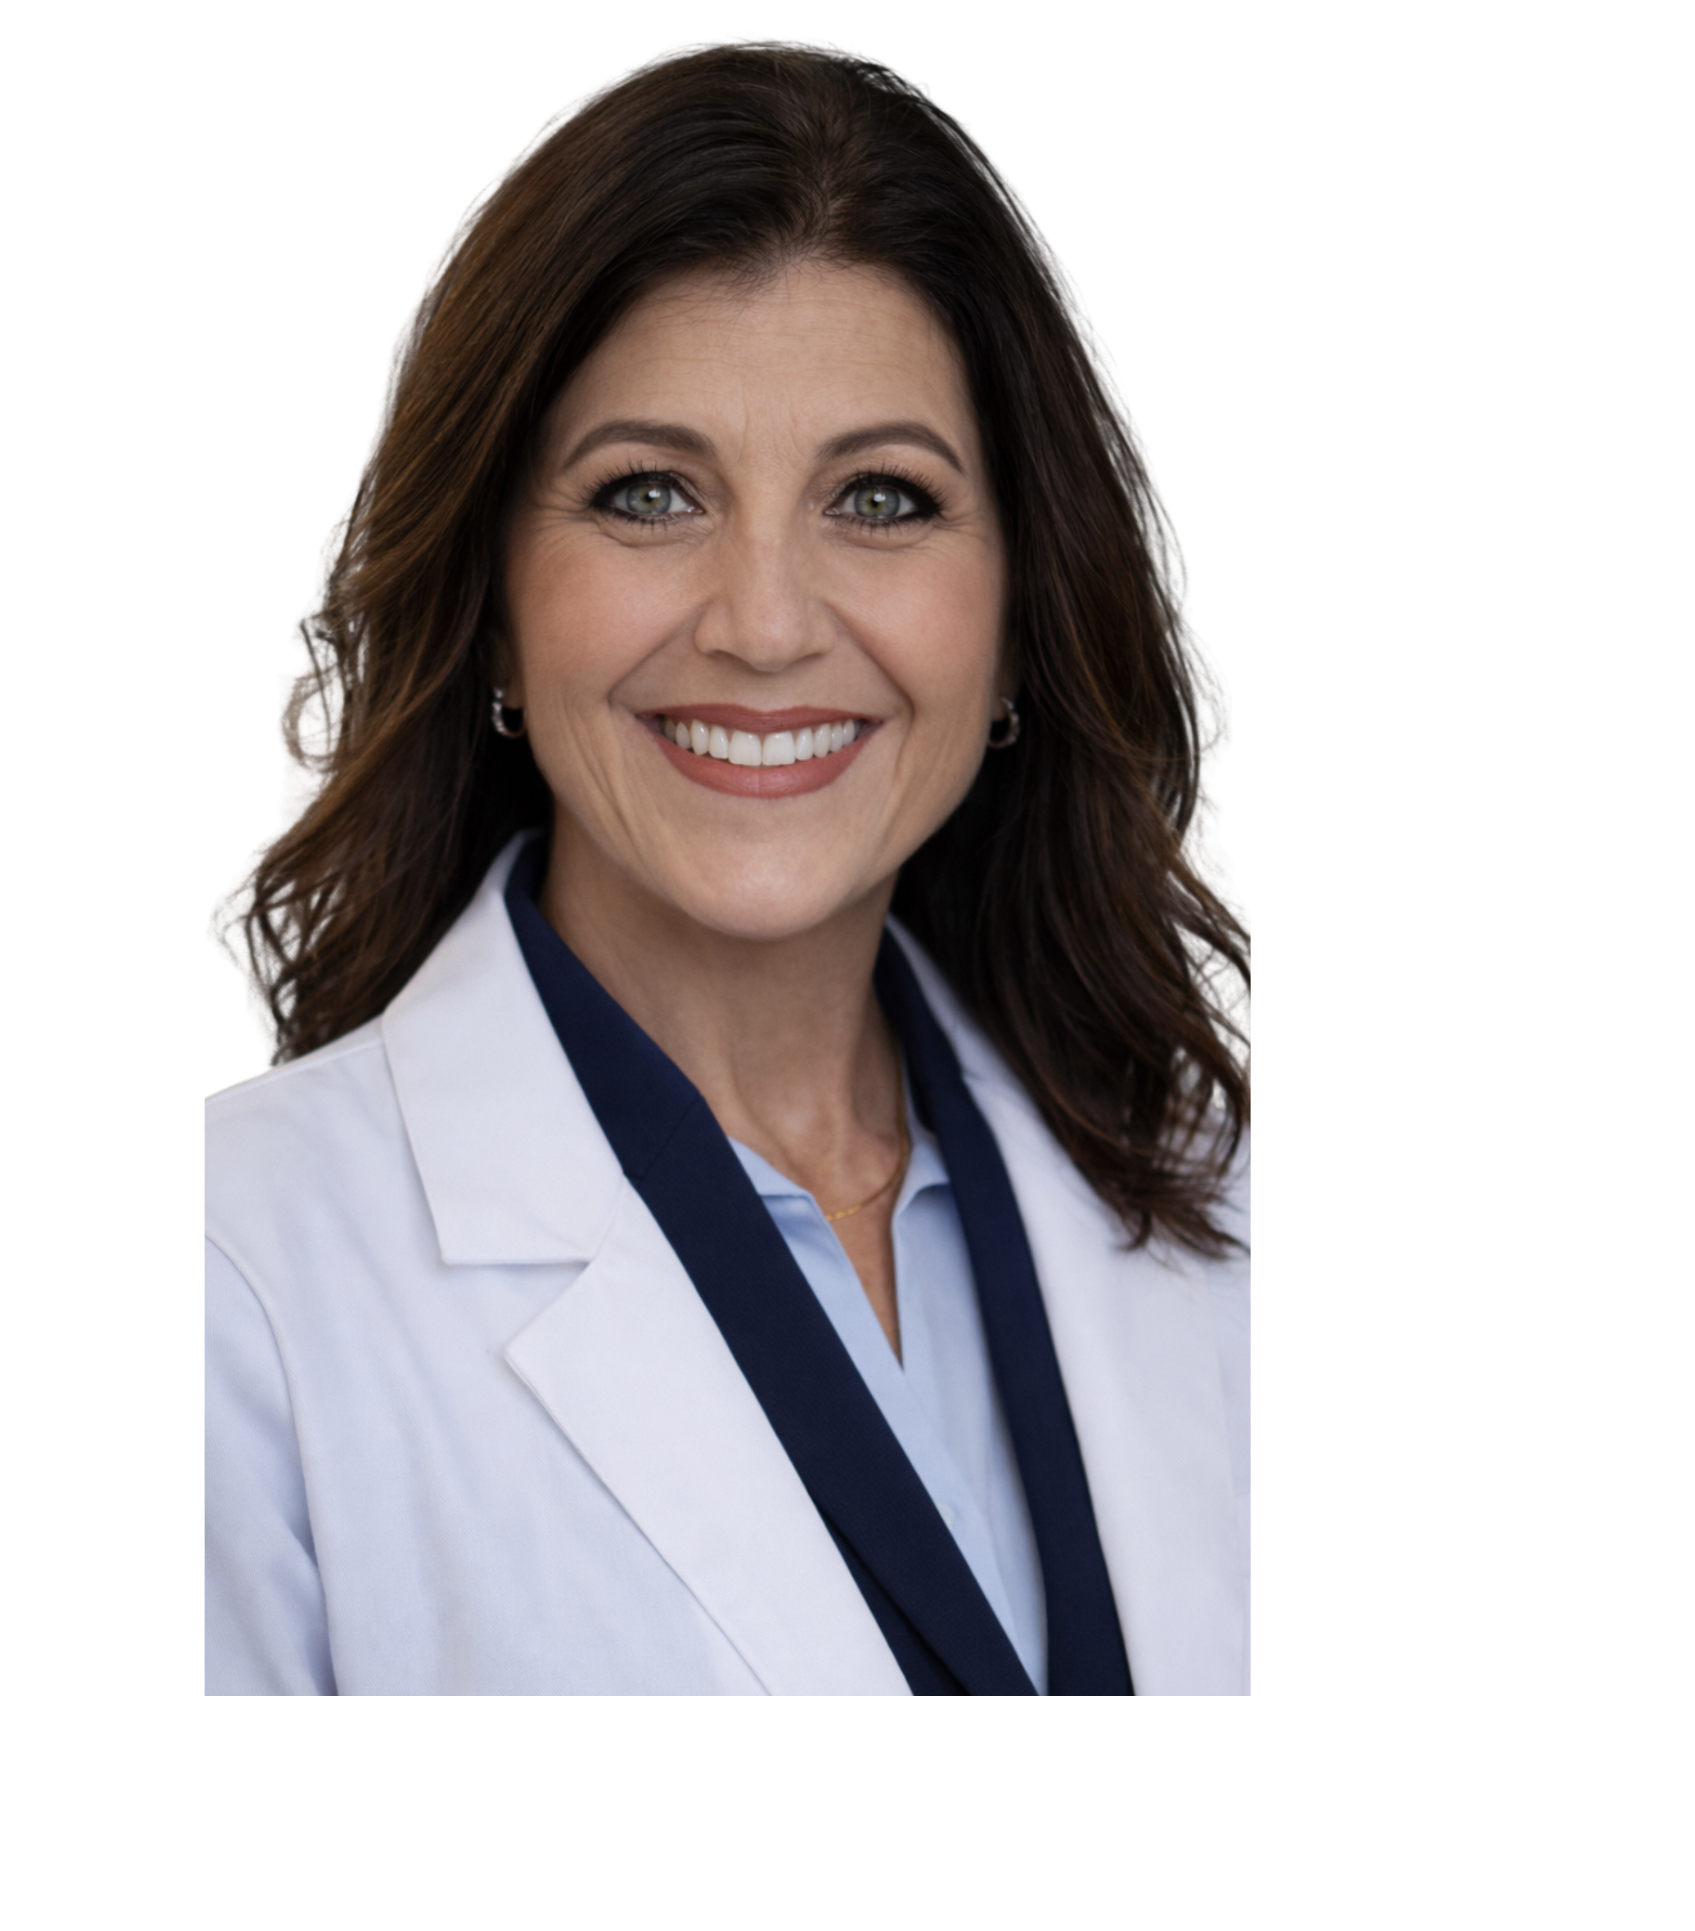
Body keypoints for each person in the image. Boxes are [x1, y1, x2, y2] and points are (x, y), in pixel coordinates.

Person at [206, 43, 1250, 1696]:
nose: (763, 623)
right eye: (647, 494)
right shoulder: (233, 1279)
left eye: (881, 499)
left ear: (1017, 614)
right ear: (492, 602)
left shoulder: (1230, 1204)